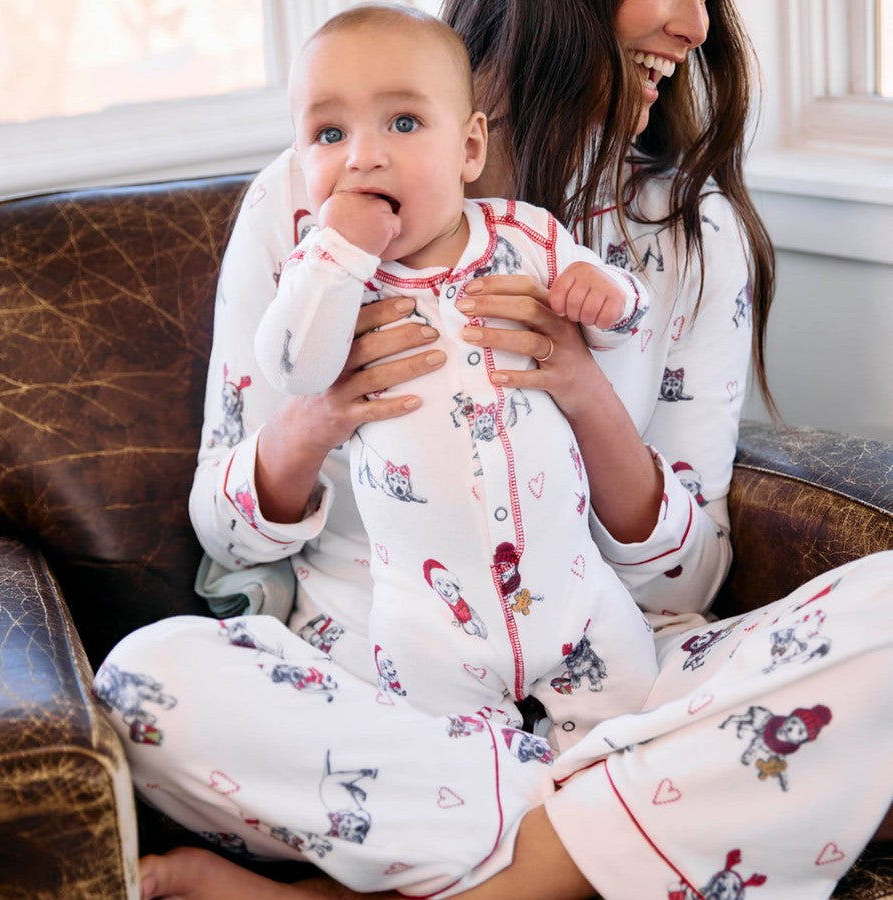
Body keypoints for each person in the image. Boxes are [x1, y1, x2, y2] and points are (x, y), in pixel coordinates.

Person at [94, 1, 893, 898]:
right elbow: (227, 539)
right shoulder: (307, 197)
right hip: (379, 695)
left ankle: (473, 880)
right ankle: (637, 821)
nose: (694, 23)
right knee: (145, 688)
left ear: (470, 145)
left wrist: (586, 394)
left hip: (610, 673)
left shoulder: (684, 231)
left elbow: (684, 583)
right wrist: (315, 416)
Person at [253, 5, 656, 747]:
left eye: (403, 123)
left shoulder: (524, 232)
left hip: (571, 592)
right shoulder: (325, 276)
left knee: (633, 715)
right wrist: (339, 257)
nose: (363, 157)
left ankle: (593, 801)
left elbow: (617, 305)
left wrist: (606, 299)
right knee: (451, 758)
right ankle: (500, 800)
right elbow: (294, 367)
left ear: (470, 147)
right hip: (427, 621)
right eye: (329, 134)